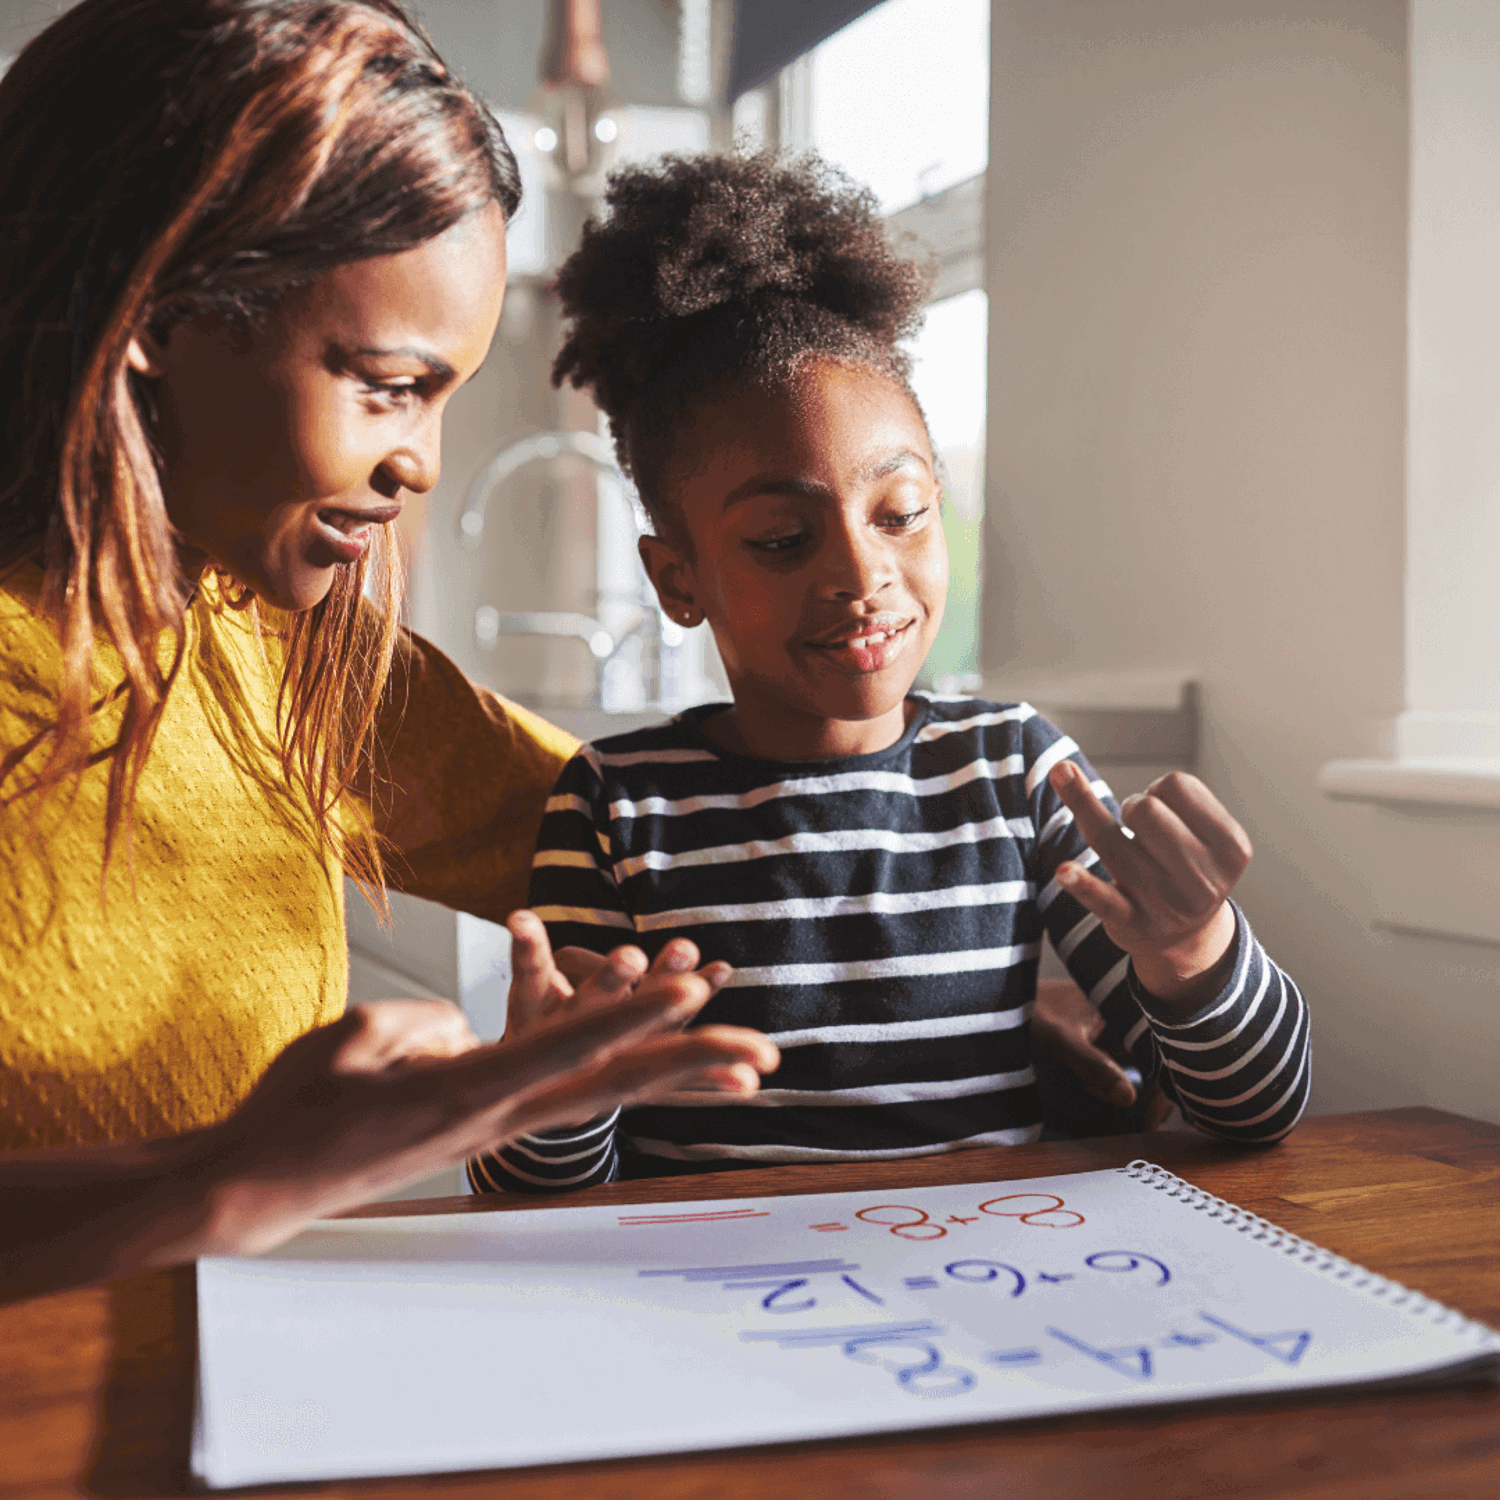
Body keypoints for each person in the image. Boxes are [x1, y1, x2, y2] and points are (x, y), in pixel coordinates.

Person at [0, 0, 777, 1304]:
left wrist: (1003, 984)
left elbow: (672, 852)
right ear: (157, 309)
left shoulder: (281, 644)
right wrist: (241, 1176)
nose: (418, 463)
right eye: (385, 382)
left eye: (443, 397)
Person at [471, 152, 1311, 1192]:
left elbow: (1256, 1110)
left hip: (978, 1293)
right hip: (712, 1304)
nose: (864, 575)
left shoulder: (1014, 769)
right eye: (782, 539)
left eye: (901, 514)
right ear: (677, 576)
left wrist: (1193, 954)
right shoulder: (612, 802)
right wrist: (556, 1092)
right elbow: (527, 1193)